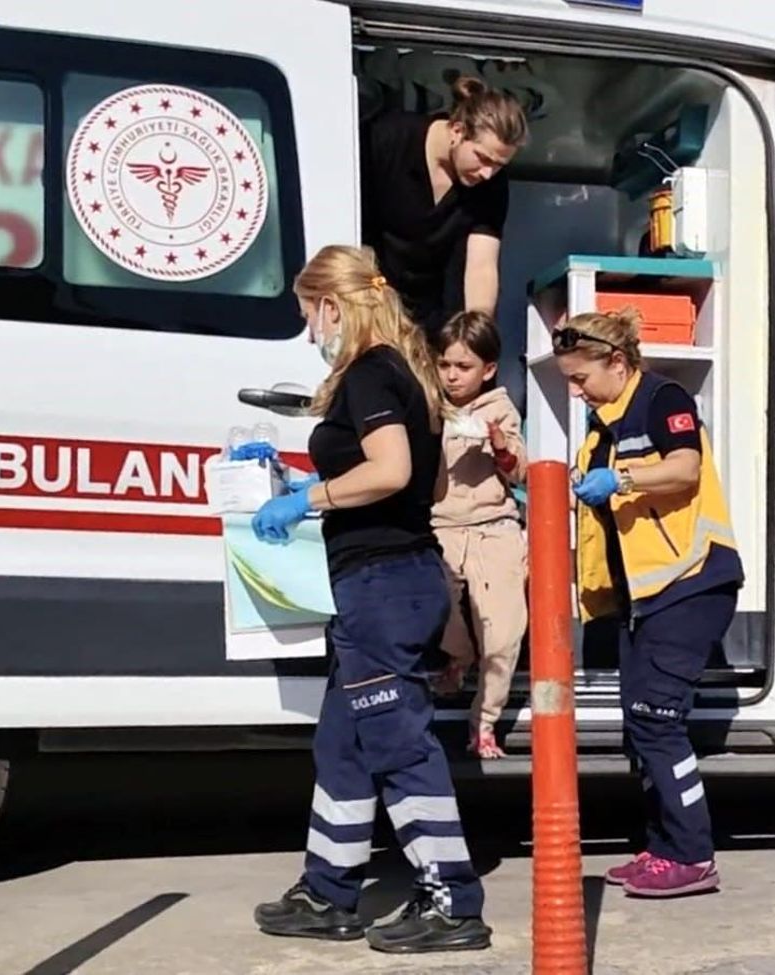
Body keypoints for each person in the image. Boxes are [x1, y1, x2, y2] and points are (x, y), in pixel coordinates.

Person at [251, 245, 491, 953]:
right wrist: (305, 479)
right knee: (345, 743)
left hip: (382, 582)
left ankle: (453, 899)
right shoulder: (412, 376)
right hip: (394, 575)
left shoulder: (370, 372)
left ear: (334, 305)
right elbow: (434, 486)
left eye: (308, 315)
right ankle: (330, 889)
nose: (309, 332)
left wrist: (312, 496)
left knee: (396, 743)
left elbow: (392, 469)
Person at [552, 308, 743, 899]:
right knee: (641, 725)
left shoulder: (664, 398)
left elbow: (685, 467)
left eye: (581, 378)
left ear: (617, 362)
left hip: (692, 580)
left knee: (658, 721)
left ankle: (691, 855)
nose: (574, 390)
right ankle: (662, 848)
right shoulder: (599, 426)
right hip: (647, 594)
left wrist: (624, 481)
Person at [360, 76, 528, 342]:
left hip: (435, 320)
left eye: (499, 165)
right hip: (370, 303)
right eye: (483, 158)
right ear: (457, 131)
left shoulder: (492, 185)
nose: (488, 173)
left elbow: (482, 266)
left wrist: (476, 339)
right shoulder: (387, 139)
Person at [429, 311, 528, 759]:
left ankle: (484, 722)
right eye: (444, 364)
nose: (451, 375)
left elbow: (521, 470)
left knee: (503, 632)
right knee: (439, 612)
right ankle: (458, 657)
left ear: (488, 370)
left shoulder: (500, 409)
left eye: (463, 367)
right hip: (441, 528)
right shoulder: (428, 405)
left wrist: (501, 449)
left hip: (493, 528)